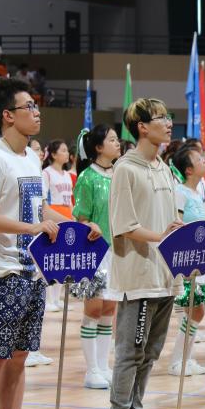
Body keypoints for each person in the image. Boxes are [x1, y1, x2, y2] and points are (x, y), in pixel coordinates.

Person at [0, 78, 96, 409]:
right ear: (8, 115)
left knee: (20, 356)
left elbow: (38, 209)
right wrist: (30, 228)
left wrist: (76, 226)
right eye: (29, 106)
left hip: (32, 271)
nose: (37, 112)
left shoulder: (29, 158)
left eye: (37, 106)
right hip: (0, 271)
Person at [102, 98, 181, 409]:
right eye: (161, 118)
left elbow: (168, 219)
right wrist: (162, 235)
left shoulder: (164, 168)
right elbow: (124, 226)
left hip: (165, 274)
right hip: (138, 276)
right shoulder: (126, 168)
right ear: (142, 127)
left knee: (151, 352)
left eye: (168, 116)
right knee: (131, 350)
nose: (169, 123)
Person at [71, 125, 123, 389]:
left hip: (117, 249)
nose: (118, 143)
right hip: (93, 252)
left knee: (110, 309)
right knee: (93, 309)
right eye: (112, 140)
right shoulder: (87, 177)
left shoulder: (119, 175)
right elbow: (81, 217)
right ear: (99, 147)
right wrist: (89, 225)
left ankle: (103, 366)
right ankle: (91, 370)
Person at [167, 145, 205, 375]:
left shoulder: (199, 193)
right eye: (198, 158)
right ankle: (177, 361)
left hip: (200, 260)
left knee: (196, 311)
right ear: (188, 169)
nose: (204, 160)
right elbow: (176, 227)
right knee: (195, 310)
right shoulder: (180, 192)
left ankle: (185, 359)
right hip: (185, 261)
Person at [42, 139, 74, 313]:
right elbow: (44, 200)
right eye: (63, 150)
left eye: (67, 150)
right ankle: (48, 300)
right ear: (53, 154)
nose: (66, 153)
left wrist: (73, 216)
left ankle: (57, 298)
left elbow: (69, 199)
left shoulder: (67, 174)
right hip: (53, 214)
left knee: (64, 260)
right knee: (52, 259)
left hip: (67, 215)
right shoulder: (46, 173)